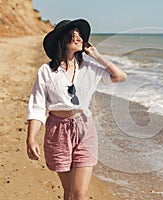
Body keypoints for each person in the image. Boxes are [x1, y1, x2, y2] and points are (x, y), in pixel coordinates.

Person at [26, 19, 127, 200]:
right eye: (73, 34)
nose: (78, 37)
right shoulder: (46, 71)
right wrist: (31, 138)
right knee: (69, 193)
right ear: (61, 40)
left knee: (80, 194)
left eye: (80, 34)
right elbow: (37, 106)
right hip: (58, 131)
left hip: (84, 127)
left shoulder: (89, 68)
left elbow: (120, 76)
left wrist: (96, 55)